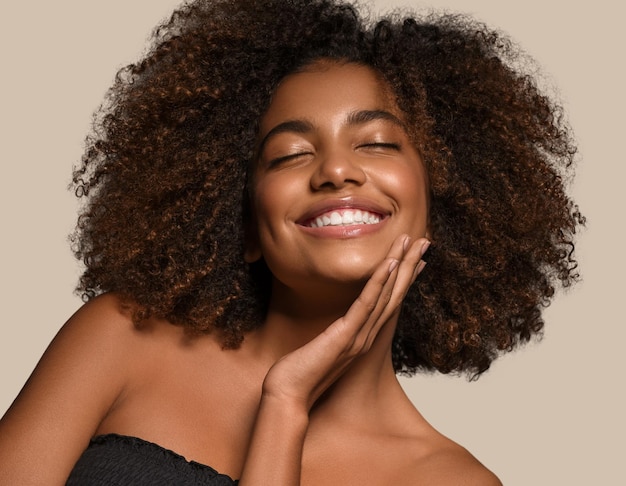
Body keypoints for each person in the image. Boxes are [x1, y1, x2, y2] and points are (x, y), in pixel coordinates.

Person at [0, 0, 583, 484]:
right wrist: (283, 402)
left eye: (377, 143)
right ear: (250, 225)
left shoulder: (449, 481)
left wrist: (285, 405)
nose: (335, 170)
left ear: (445, 204)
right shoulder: (123, 338)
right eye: (289, 154)